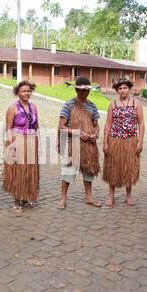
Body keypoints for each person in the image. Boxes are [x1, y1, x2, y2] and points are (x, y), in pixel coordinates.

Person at [58, 77, 101, 210]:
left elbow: (96, 125)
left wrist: (95, 134)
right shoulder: (69, 104)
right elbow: (61, 126)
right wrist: (77, 133)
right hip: (73, 143)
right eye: (80, 90)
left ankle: (89, 197)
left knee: (89, 170)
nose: (83, 92)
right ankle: (63, 199)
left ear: (89, 91)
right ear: (76, 89)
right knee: (68, 171)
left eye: (85, 90)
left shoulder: (92, 106)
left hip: (89, 144)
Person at [102, 78, 144, 207]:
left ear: (129, 89)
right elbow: (108, 124)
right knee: (113, 167)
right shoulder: (113, 104)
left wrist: (140, 142)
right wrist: (105, 142)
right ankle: (111, 195)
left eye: (125, 88)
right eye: (120, 89)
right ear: (117, 91)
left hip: (131, 140)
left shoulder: (136, 103)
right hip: (115, 140)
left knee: (129, 168)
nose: (122, 90)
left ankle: (129, 195)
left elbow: (141, 123)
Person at [3, 80, 40, 213]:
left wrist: (38, 144)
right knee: (18, 172)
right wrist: (11, 147)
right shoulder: (13, 107)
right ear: (17, 92)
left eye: (29, 91)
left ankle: (26, 197)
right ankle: (17, 201)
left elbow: (37, 126)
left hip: (31, 141)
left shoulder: (33, 107)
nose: (26, 93)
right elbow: (8, 129)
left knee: (29, 171)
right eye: (24, 91)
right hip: (17, 142)